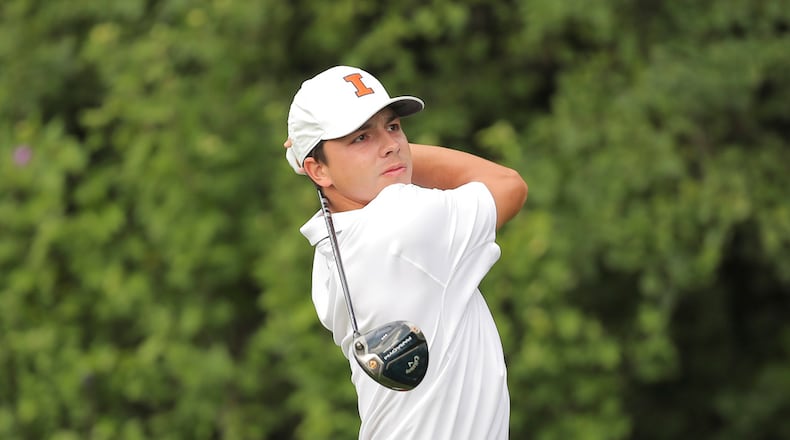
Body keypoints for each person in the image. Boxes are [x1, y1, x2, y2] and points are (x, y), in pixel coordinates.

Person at [284, 65, 527, 439]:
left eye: (393, 126)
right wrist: (386, 156)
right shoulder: (403, 219)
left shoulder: (330, 245)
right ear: (317, 172)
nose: (392, 145)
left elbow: (357, 172)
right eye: (361, 137)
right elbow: (509, 185)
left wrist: (315, 157)